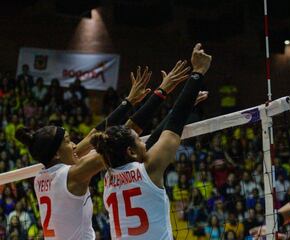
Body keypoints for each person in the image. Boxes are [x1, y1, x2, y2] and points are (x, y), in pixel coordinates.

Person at [14, 62, 190, 240]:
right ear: (57, 154)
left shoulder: (41, 176)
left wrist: (127, 103)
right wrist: (161, 93)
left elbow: (93, 136)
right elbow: (121, 138)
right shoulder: (74, 174)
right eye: (68, 142)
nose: (75, 145)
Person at [90, 43, 212, 239]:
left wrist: (183, 106)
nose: (145, 142)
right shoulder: (148, 169)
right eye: (139, 139)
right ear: (130, 152)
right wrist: (198, 71)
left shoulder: (109, 175)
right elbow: (172, 128)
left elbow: (161, 132)